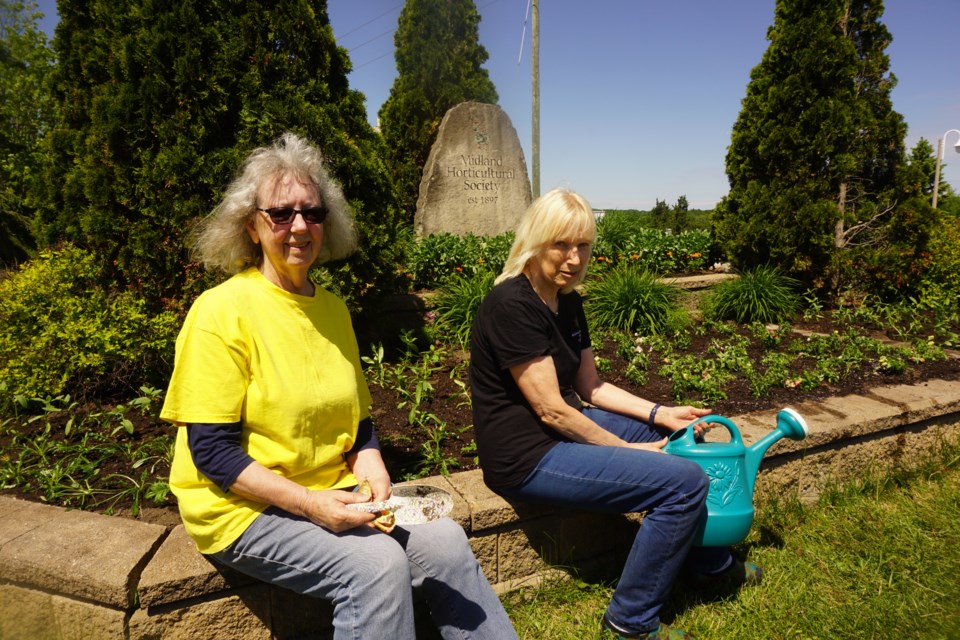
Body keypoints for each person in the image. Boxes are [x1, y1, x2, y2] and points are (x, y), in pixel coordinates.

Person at [160, 132, 517, 640]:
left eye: (313, 212)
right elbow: (212, 454)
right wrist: (311, 505)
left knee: (446, 542)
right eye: (281, 213)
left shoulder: (332, 309)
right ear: (251, 225)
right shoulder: (220, 312)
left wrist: (368, 457)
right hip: (240, 509)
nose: (299, 226)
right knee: (375, 565)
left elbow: (359, 421)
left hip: (334, 491)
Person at [468, 188, 761, 640]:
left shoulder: (568, 301)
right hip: (525, 456)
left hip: (559, 434)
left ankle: (707, 563)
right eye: (561, 244)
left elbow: (591, 387)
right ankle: (632, 620)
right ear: (535, 241)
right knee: (681, 482)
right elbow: (552, 412)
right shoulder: (512, 304)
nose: (573, 257)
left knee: (687, 441)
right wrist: (636, 453)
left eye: (582, 245)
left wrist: (662, 414)